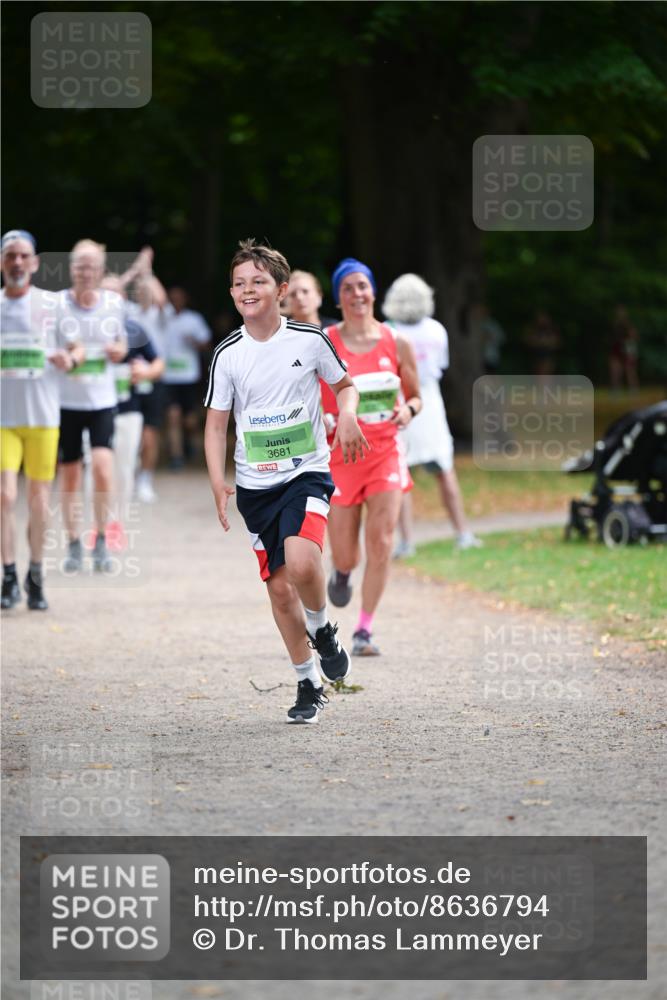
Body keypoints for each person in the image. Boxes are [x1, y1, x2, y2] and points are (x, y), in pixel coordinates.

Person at [204, 239, 368, 724]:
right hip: (256, 487)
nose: (246, 290)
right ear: (232, 293)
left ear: (280, 290)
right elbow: (216, 425)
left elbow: (345, 386)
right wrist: (218, 481)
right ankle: (307, 683)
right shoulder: (227, 354)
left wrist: (352, 416)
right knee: (278, 591)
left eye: (257, 282)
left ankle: (322, 629)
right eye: (238, 283)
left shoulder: (309, 340)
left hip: (307, 472)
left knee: (302, 561)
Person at [321, 258, 421, 657]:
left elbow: (415, 396)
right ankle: (342, 571)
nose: (357, 294)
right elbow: (309, 395)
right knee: (347, 551)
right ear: (338, 296)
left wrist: (408, 411)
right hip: (340, 456)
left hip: (385, 450)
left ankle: (364, 630)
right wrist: (327, 416)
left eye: (362, 286)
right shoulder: (326, 340)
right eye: (347, 288)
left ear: (374, 292)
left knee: (381, 540)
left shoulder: (396, 342)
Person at [1, 230, 82, 609]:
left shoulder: (51, 305)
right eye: (10, 256)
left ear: (34, 263)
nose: (17, 262)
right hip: (4, 419)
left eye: (23, 256)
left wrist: (71, 359)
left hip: (43, 419)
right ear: (3, 263)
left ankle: (34, 575)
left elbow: (77, 347)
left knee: (37, 501)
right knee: (5, 495)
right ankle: (8, 576)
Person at [382, 273, 482, 557]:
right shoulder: (437, 330)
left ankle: (407, 541)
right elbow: (440, 366)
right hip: (430, 401)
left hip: (400, 402)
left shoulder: (388, 331)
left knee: (402, 476)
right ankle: (462, 532)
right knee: (445, 471)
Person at [58, 239, 127, 572]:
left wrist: (119, 351)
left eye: (92, 266)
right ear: (72, 269)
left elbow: (121, 342)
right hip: (64, 401)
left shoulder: (113, 303)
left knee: (102, 468)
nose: (86, 272)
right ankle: (73, 543)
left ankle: (99, 540)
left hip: (101, 400)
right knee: (70, 476)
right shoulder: (57, 304)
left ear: (101, 270)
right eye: (80, 266)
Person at [163, 286, 211, 468]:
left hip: (189, 376)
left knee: (189, 419)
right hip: (168, 377)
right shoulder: (162, 317)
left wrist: (194, 342)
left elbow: (206, 343)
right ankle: (176, 456)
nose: (175, 301)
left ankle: (189, 441)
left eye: (179, 298)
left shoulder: (194, 319)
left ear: (185, 299)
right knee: (173, 416)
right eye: (172, 298)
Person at [609, 304, 640, 391]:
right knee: (615, 371)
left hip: (627, 349)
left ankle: (634, 389)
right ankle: (615, 390)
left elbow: (634, 336)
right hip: (616, 348)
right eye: (619, 311)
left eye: (622, 311)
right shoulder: (614, 324)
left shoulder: (628, 324)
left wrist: (631, 352)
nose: (620, 313)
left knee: (630, 370)